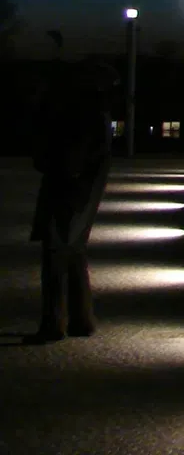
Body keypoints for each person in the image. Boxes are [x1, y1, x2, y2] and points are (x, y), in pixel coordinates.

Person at [28, 60, 117, 343]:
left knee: (56, 256)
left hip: (68, 192)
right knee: (73, 254)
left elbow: (64, 159)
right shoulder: (96, 113)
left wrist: (49, 159)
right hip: (80, 193)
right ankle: (80, 320)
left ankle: (55, 323)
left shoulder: (79, 114)